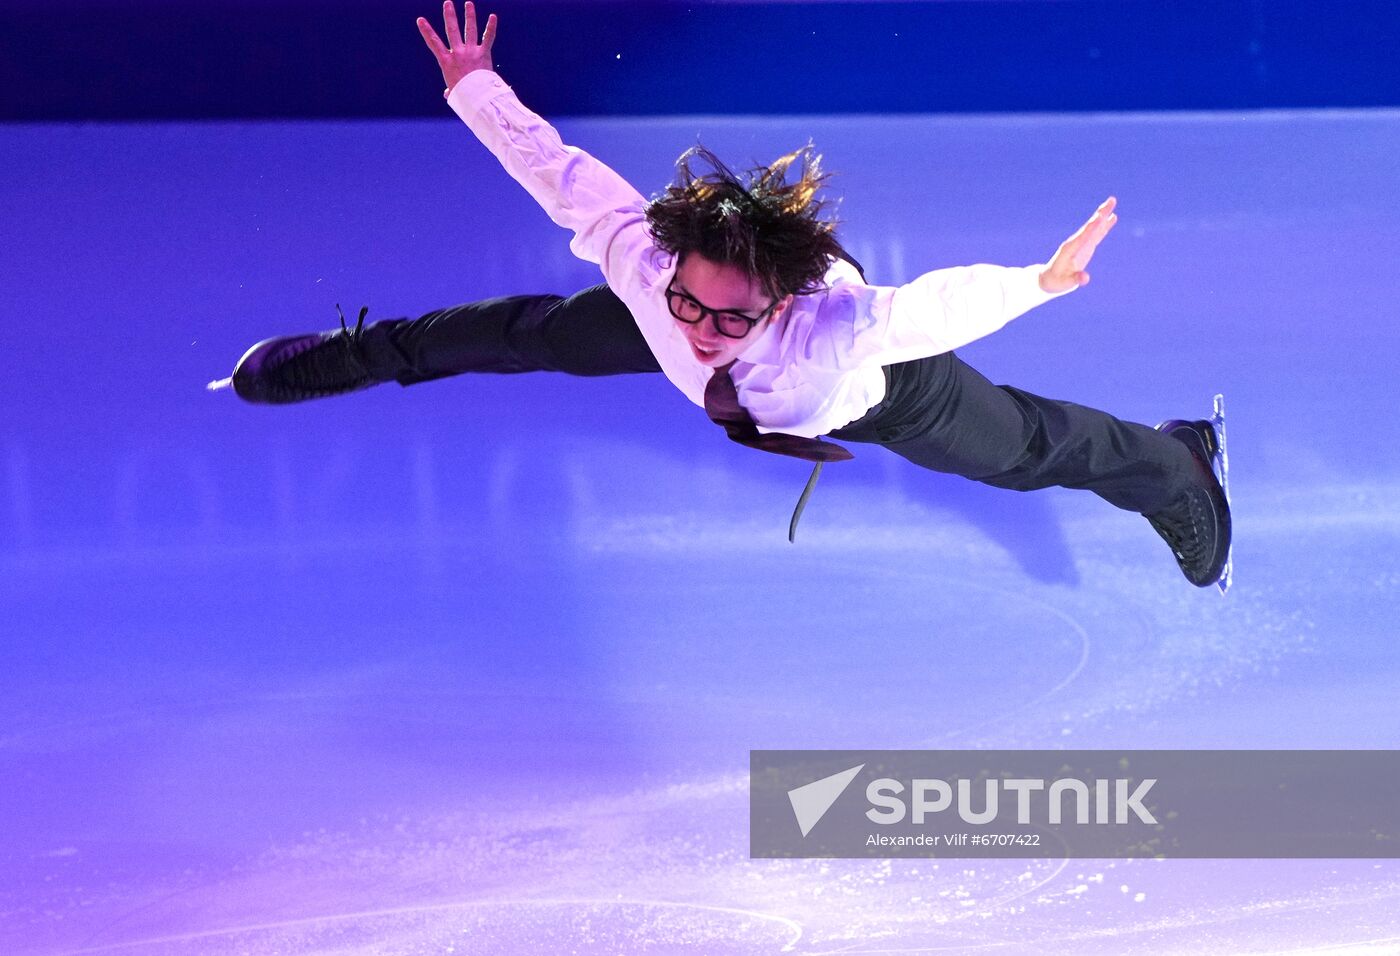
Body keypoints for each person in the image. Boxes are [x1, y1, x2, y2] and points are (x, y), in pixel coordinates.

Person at [213, 1, 1231, 589]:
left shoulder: (834, 331)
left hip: (873, 395)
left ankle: (1174, 462)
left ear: (778, 302)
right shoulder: (648, 270)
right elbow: (554, 168)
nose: (700, 331)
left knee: (1021, 451)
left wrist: (1039, 281)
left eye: (728, 317)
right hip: (690, 342)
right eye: (690, 306)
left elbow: (925, 309)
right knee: (521, 331)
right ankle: (345, 356)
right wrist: (474, 84)